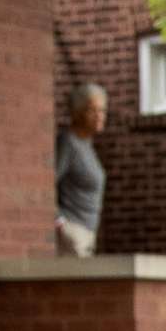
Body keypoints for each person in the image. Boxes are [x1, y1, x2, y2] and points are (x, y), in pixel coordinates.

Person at [54, 82, 107, 256]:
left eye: (102, 110)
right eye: (92, 110)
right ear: (77, 113)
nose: (100, 116)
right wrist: (60, 223)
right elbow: (48, 183)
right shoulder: (68, 143)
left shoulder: (87, 145)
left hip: (88, 232)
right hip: (72, 232)